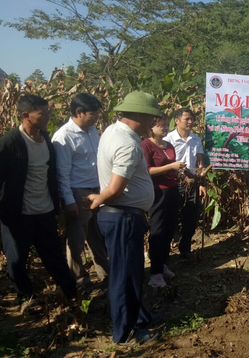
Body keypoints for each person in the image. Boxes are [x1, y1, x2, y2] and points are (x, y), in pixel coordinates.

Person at [0, 94, 77, 314]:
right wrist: (6, 201)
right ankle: (25, 297)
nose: (48, 115)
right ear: (26, 115)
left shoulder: (46, 139)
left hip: (45, 210)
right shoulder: (8, 144)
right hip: (17, 214)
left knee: (54, 255)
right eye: (43, 112)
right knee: (17, 258)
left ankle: (70, 291)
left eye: (47, 111)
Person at [87, 91, 162, 343]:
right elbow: (115, 189)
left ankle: (140, 318)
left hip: (122, 216)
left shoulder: (111, 131)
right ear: (139, 115)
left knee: (130, 272)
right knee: (124, 275)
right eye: (151, 118)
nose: (153, 124)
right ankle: (126, 333)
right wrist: (98, 199)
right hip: (123, 217)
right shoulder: (128, 144)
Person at [52, 93, 110, 290]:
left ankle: (104, 272)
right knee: (77, 238)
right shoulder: (64, 136)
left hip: (97, 189)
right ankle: (78, 278)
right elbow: (62, 173)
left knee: (97, 233)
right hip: (79, 191)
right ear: (79, 112)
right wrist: (69, 200)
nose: (96, 118)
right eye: (93, 114)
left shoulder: (93, 131)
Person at [141, 114, 184, 287]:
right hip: (157, 192)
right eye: (161, 126)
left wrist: (179, 171)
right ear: (151, 127)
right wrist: (171, 167)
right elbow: (148, 170)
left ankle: (163, 263)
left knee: (169, 227)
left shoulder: (169, 145)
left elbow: (170, 169)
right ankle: (155, 272)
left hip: (172, 189)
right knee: (158, 230)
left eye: (167, 125)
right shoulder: (146, 145)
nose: (165, 128)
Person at [164, 108, 207, 259]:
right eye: (187, 119)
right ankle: (166, 249)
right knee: (171, 217)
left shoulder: (195, 139)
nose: (190, 122)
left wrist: (201, 183)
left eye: (192, 119)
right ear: (176, 121)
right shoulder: (168, 139)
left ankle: (185, 248)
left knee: (191, 217)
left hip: (193, 183)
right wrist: (181, 176)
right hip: (174, 183)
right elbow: (166, 163)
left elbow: (200, 163)